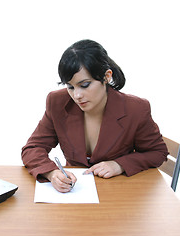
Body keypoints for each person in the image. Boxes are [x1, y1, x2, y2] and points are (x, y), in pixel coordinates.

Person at [21, 39, 168, 193]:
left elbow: (158, 153)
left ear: (106, 77)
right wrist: (51, 173)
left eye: (84, 85)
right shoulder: (57, 102)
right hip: (73, 194)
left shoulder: (135, 109)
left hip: (119, 194)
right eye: (70, 87)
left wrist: (119, 165)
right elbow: (33, 148)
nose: (77, 95)